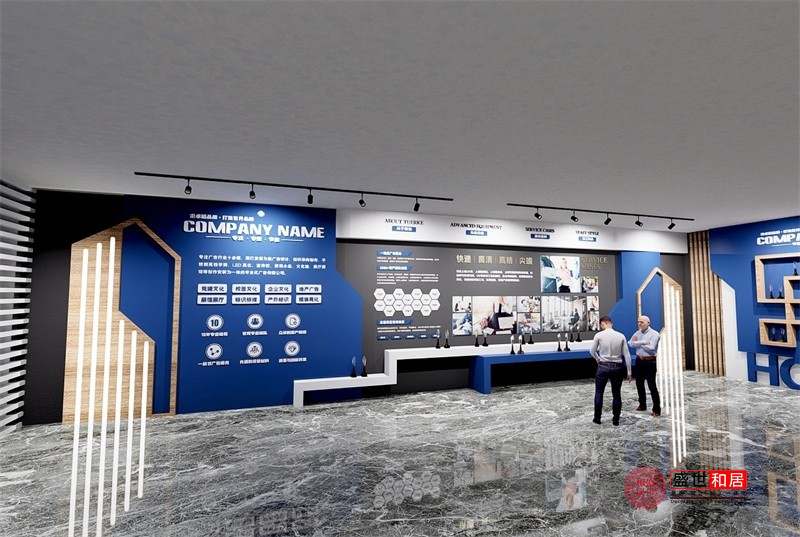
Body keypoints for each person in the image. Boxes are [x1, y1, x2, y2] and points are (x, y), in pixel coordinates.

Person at [589, 315, 632, 425]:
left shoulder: (599, 335)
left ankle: (597, 418)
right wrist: (629, 372)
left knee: (599, 393)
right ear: (611, 323)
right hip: (617, 367)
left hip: (603, 366)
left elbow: (592, 351)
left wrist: (597, 358)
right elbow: (627, 355)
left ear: (602, 324)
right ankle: (616, 419)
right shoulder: (621, 336)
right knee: (616, 394)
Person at [628, 315, 661, 417]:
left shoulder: (655, 334)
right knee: (639, 384)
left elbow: (651, 348)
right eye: (638, 322)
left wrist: (637, 343)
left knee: (651, 385)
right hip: (639, 361)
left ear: (648, 323)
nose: (639, 324)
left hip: (650, 362)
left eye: (642, 322)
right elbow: (630, 343)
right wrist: (643, 342)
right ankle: (642, 405)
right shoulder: (637, 333)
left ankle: (656, 409)